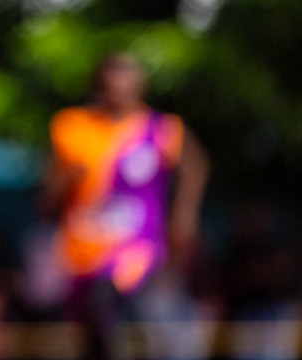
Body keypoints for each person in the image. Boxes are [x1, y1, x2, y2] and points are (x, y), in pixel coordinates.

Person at [44, 53, 209, 360]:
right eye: (111, 87)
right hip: (82, 252)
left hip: (137, 246)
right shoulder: (72, 127)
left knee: (117, 302)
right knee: (92, 329)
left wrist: (184, 215)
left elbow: (194, 167)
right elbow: (47, 197)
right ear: (98, 88)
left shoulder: (160, 129)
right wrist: (67, 180)